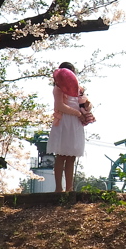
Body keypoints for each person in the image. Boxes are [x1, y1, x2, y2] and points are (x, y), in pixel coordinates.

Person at [47, 62, 86, 192]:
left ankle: (69, 188)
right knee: (61, 155)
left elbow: (85, 104)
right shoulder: (58, 89)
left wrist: (87, 107)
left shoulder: (79, 89)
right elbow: (59, 106)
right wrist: (77, 113)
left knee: (71, 156)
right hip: (64, 121)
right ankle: (59, 188)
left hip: (76, 123)